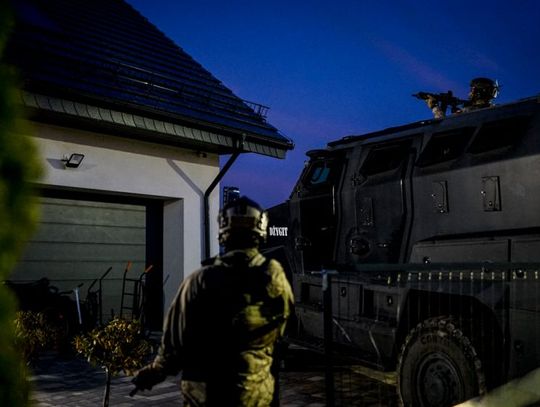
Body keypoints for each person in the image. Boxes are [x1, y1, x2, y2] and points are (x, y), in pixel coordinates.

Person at [131, 196, 294, 406]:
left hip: (207, 392)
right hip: (257, 392)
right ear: (260, 231)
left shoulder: (199, 280)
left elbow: (174, 342)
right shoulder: (274, 275)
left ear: (223, 233)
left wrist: (155, 372)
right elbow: (284, 324)